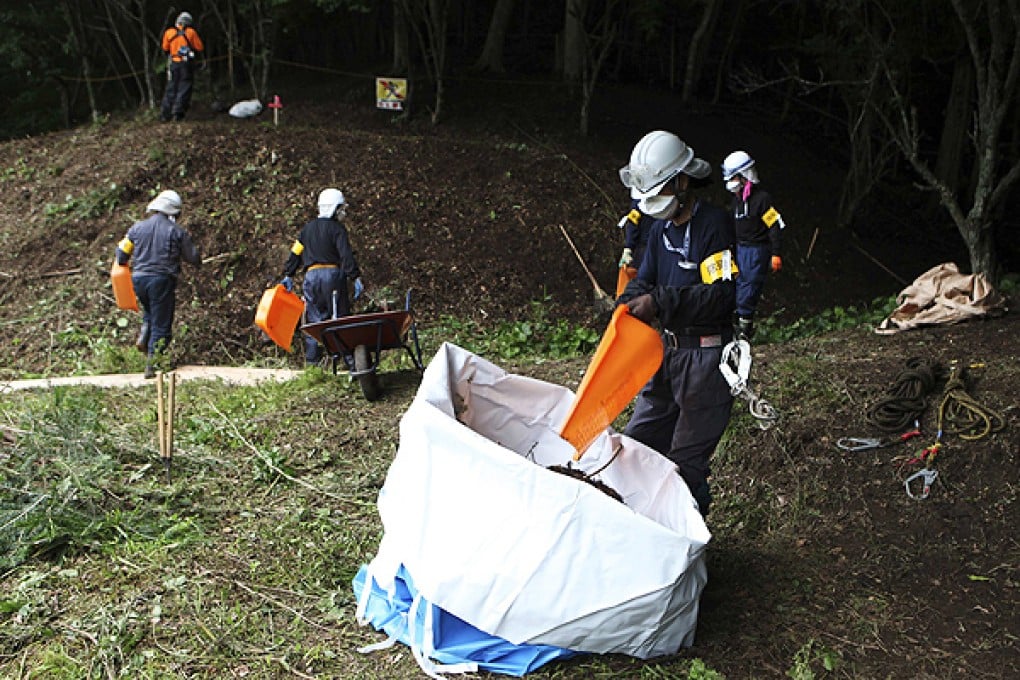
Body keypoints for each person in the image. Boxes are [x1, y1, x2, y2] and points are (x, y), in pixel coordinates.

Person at [617, 131, 738, 516]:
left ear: (683, 181)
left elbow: (721, 295)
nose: (654, 204)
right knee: (636, 447)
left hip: (705, 360)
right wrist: (628, 301)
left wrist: (660, 302)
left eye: (660, 191)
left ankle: (688, 548)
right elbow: (645, 278)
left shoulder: (713, 226)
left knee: (684, 468)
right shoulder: (659, 229)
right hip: (666, 356)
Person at [115, 189, 202, 378]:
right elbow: (193, 257)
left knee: (150, 311)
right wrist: (195, 261)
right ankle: (152, 366)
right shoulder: (176, 232)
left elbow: (121, 254)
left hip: (138, 279)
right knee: (162, 324)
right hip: (161, 280)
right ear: (174, 212)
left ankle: (145, 333)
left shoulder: (136, 228)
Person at [279, 188, 364, 367]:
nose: (343, 212)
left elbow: (295, 253)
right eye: (341, 208)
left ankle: (312, 364)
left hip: (311, 277)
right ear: (334, 208)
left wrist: (289, 274)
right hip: (332, 275)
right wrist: (355, 276)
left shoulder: (306, 230)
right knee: (339, 317)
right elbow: (345, 255)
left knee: (315, 320)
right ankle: (351, 363)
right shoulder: (337, 229)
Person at [721, 150, 786, 341]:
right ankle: (735, 326)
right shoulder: (736, 202)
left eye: (734, 177)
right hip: (739, 249)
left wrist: (776, 253)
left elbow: (774, 225)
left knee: (748, 290)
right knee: (735, 286)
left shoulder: (762, 199)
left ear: (745, 176)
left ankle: (744, 331)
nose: (731, 182)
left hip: (757, 250)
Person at [160, 11, 204, 122]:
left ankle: (165, 114)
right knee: (184, 87)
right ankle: (178, 113)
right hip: (186, 64)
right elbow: (199, 47)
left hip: (174, 63)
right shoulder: (191, 32)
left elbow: (165, 48)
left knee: (171, 87)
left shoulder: (169, 32)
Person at [615, 197, 656, 296]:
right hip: (648, 249)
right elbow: (633, 222)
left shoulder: (640, 198)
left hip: (646, 249)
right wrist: (628, 248)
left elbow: (633, 224)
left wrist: (628, 247)